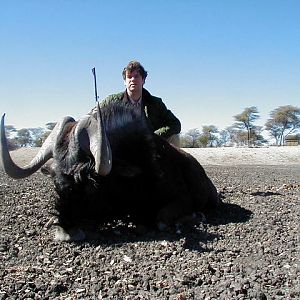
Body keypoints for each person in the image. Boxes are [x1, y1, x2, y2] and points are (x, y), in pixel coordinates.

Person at [92, 60, 181, 146]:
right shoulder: (112, 101)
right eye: (129, 77)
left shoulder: (156, 103)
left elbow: (175, 124)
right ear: (124, 81)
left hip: (149, 145)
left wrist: (155, 136)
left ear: (143, 80)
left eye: (136, 76)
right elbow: (91, 116)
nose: (133, 79)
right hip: (121, 147)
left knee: (174, 137)